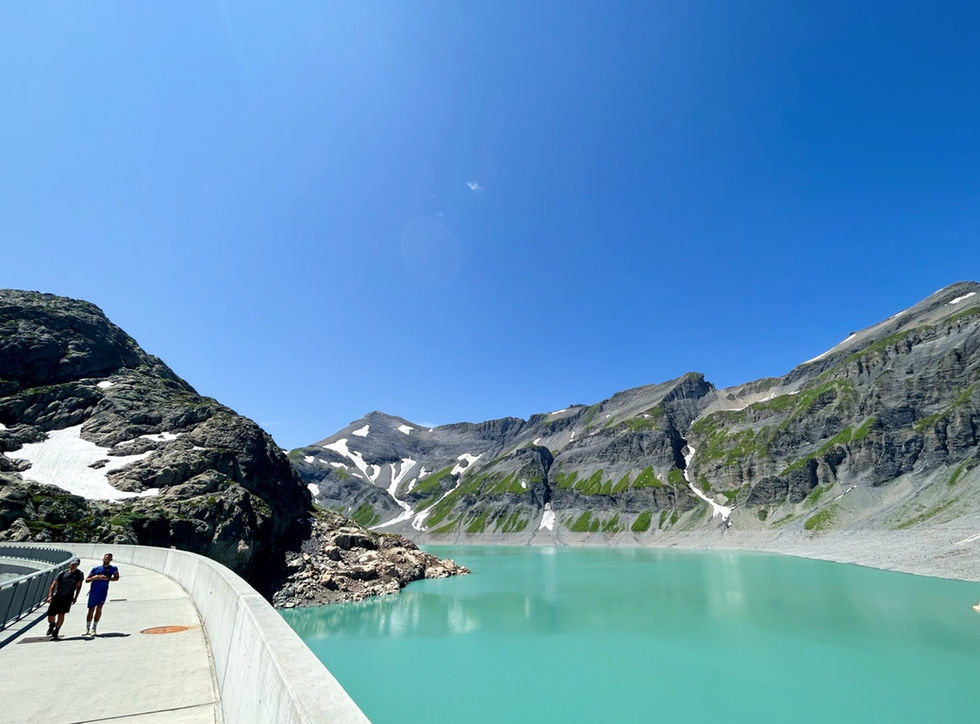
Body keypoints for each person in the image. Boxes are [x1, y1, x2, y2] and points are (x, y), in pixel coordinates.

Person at [45, 557, 84, 639]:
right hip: (57, 596)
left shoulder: (79, 574)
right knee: (50, 616)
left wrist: (75, 597)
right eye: (72, 564)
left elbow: (79, 586)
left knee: (61, 614)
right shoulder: (62, 573)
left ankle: (56, 631)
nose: (73, 566)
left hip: (67, 597)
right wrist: (50, 596)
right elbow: (53, 585)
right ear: (70, 564)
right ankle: (52, 624)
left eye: (75, 564)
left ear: (78, 565)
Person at [84, 552, 119, 638]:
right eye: (105, 558)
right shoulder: (95, 569)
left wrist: (108, 579)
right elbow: (87, 580)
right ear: (103, 558)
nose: (106, 560)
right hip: (93, 591)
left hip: (103, 591)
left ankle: (94, 628)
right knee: (91, 609)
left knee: (99, 608)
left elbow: (116, 578)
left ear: (111, 560)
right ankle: (87, 628)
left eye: (108, 559)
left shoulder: (113, 568)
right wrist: (95, 577)